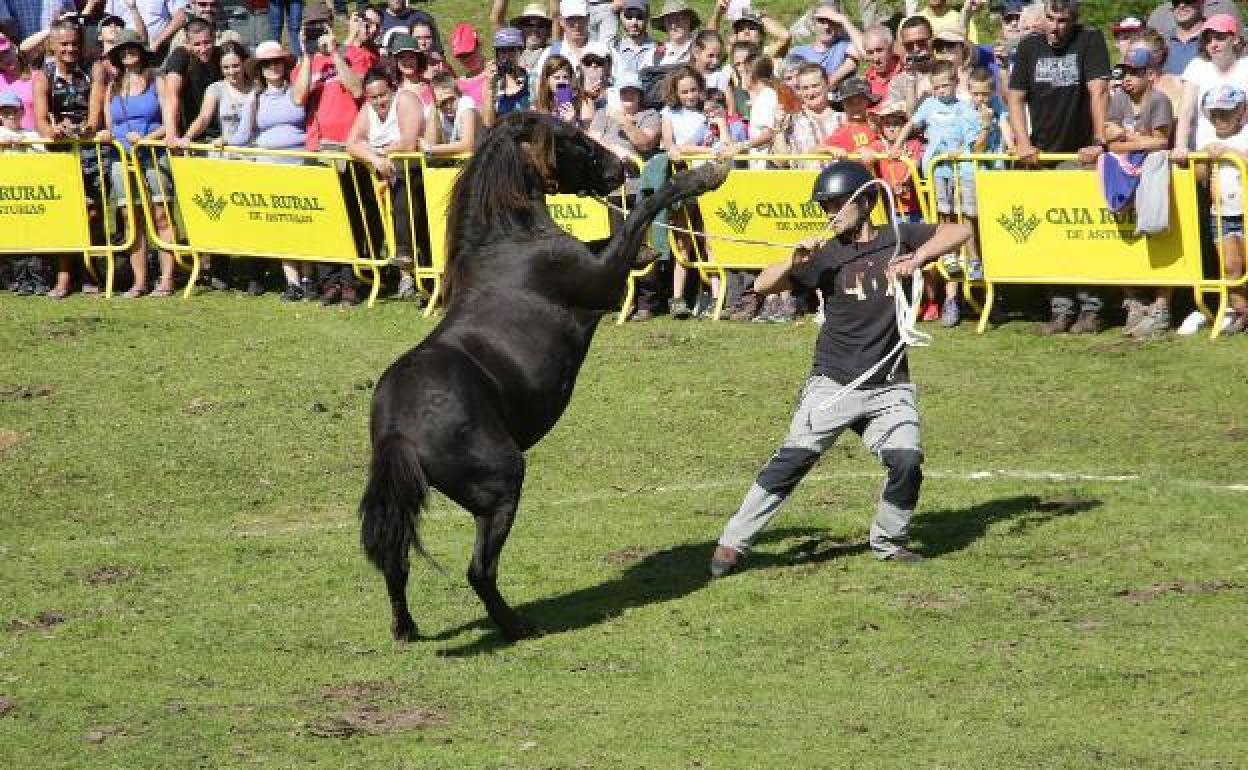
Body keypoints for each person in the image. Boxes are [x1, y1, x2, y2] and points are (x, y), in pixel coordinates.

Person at [709, 160, 972, 577]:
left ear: (866, 203)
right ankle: (732, 544)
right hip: (833, 382)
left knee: (906, 461)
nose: (829, 213)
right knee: (792, 460)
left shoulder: (899, 236)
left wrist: (917, 258)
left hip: (889, 384)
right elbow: (762, 284)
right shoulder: (824, 256)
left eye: (836, 204)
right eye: (824, 206)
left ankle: (889, 542)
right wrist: (794, 259)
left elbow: (961, 231)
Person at [1006, 0, 1111, 335]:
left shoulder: (1089, 41)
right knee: (1049, 236)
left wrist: (1098, 140)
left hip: (1078, 153)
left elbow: (1099, 91)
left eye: (1062, 21)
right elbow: (1015, 97)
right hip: (1041, 155)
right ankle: (1060, 308)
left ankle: (1091, 307)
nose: (1055, 27)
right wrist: (1022, 142)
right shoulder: (1028, 47)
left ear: (1073, 20)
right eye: (1050, 19)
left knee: (1079, 236)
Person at [890, 59, 978, 327]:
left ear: (955, 84)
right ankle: (947, 252)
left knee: (967, 215)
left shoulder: (964, 108)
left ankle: (973, 260)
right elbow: (911, 125)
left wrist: (966, 150)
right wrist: (897, 144)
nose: (941, 92)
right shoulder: (928, 106)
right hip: (938, 169)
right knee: (943, 212)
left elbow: (975, 137)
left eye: (945, 86)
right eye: (936, 87)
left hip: (961, 169)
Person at [95, 30, 177, 298]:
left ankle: (166, 279)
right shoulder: (112, 87)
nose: (128, 53)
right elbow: (110, 125)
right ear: (117, 55)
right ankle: (139, 281)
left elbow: (168, 123)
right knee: (131, 217)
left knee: (161, 213)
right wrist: (107, 135)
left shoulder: (158, 81)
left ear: (141, 51)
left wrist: (146, 140)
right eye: (123, 49)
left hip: (152, 154)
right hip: (121, 157)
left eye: (133, 48)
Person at [229, 40, 311, 302]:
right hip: (271, 169)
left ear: (284, 65)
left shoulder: (295, 91)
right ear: (260, 70)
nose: (273, 67)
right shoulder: (255, 98)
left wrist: (307, 55)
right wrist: (222, 141)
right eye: (267, 64)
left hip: (300, 166)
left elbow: (303, 100)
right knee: (283, 226)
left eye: (277, 62)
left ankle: (308, 278)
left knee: (305, 225)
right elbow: (242, 135)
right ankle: (293, 281)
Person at [1107, 45, 1176, 339]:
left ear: (1150, 74)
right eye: (1125, 72)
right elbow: (1109, 139)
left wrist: (1126, 139)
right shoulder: (1120, 98)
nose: (1127, 78)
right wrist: (1136, 140)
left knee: (1161, 236)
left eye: (1135, 73)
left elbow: (1161, 142)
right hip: (1125, 175)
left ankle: (1161, 307)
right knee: (1123, 236)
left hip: (1153, 176)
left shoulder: (1159, 100)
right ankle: (1134, 303)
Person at [30, 18, 98, 298]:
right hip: (59, 154)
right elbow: (40, 119)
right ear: (52, 46)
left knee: (93, 213)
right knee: (65, 214)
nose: (70, 49)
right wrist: (53, 131)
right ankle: (63, 276)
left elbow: (95, 115)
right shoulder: (43, 75)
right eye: (64, 44)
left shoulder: (92, 71)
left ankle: (90, 274)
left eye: (75, 44)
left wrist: (85, 129)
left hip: (89, 150)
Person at [1198, 85, 1248, 333]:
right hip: (1222, 214)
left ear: (1241, 112)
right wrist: (1203, 160)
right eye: (1214, 113)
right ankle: (1241, 313)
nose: (1219, 119)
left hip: (1246, 210)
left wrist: (1230, 151)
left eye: (1225, 113)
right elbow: (1199, 178)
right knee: (1231, 265)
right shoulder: (1207, 139)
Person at [291, 2, 373, 151]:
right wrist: (307, 56)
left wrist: (335, 53)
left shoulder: (354, 54)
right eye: (311, 25)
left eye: (321, 24)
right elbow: (298, 99)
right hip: (318, 144)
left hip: (353, 143)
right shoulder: (302, 66)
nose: (316, 30)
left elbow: (357, 91)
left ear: (330, 24)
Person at [1173, 14, 1248, 159]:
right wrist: (1180, 146)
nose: (1213, 44)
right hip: (1206, 149)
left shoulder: (1246, 67)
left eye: (1220, 37)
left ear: (1235, 39)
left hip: (1242, 148)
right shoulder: (1197, 67)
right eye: (1208, 40)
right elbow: (1186, 111)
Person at [161, 18, 222, 141]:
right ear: (188, 43)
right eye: (197, 44)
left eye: (207, 42)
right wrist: (172, 134)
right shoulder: (181, 56)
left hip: (221, 134)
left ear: (214, 39)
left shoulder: (221, 55)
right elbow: (171, 96)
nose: (203, 49)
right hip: (191, 135)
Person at [788, 0, 861, 88]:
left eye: (831, 21)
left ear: (838, 24)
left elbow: (865, 51)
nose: (826, 26)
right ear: (813, 23)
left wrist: (844, 20)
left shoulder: (844, 45)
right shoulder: (798, 52)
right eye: (821, 21)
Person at [422, 71, 482, 155]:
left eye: (452, 99)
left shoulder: (466, 103)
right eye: (443, 102)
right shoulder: (432, 110)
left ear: (459, 95)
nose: (448, 106)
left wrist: (432, 149)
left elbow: (468, 146)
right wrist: (434, 109)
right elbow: (429, 145)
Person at [482, 26, 530, 124]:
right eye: (503, 51)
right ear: (497, 54)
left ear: (520, 51)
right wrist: (490, 88)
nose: (507, 56)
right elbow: (488, 123)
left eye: (512, 50)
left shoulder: (532, 78)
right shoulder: (492, 83)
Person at [889, 14, 935, 113]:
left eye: (922, 42)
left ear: (933, 40)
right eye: (909, 45)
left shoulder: (949, 70)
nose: (916, 49)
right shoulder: (898, 82)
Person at [534, 52, 593, 126]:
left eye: (565, 77)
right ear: (547, 80)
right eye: (557, 78)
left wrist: (572, 121)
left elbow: (589, 134)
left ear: (571, 79)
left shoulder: (583, 101)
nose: (561, 81)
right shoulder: (538, 105)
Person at [612, 0, 658, 81]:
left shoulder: (659, 49)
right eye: (629, 16)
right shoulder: (613, 50)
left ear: (647, 19)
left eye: (639, 17)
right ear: (621, 17)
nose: (634, 23)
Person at [450, 22, 490, 108]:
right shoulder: (459, 85)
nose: (466, 59)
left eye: (469, 53)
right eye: (461, 56)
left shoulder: (495, 71)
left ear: (478, 46)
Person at [0, 33, 32, 129]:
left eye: (6, 52)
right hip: (8, 140)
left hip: (37, 140)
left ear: (14, 48)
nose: (4, 59)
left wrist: (51, 29)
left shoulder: (37, 77)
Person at [862, 24, 901, 103]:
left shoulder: (907, 72)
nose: (876, 58)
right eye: (870, 53)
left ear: (891, 49)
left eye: (879, 51)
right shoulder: (864, 83)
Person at [652, 0, 698, 65]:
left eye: (678, 20)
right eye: (669, 21)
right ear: (664, 25)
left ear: (688, 20)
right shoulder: (654, 53)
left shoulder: (700, 49)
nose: (673, 26)